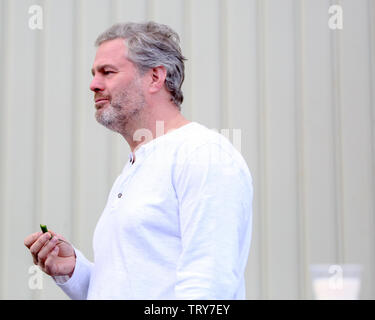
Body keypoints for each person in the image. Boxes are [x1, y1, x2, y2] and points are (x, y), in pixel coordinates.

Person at [24, 21, 253, 299]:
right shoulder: (137, 165)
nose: (93, 84)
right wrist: (73, 270)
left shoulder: (203, 154)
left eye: (107, 72)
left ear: (155, 77)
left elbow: (208, 287)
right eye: (94, 74)